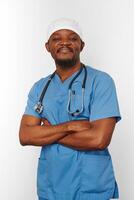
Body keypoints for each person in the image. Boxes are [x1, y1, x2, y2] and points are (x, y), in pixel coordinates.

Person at [19, 18, 121, 200]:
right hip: (51, 186)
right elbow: (25, 136)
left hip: (91, 187)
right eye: (57, 38)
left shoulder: (101, 81)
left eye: (73, 38)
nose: (65, 42)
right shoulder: (40, 88)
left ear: (81, 45)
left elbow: (99, 139)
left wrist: (47, 132)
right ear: (47, 46)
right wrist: (69, 126)